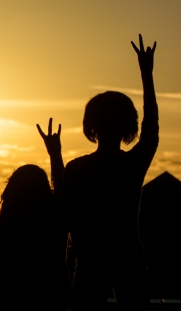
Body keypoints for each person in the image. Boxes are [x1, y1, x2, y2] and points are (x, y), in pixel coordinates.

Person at [65, 35, 159, 309]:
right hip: (128, 258)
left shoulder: (77, 168)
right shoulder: (130, 166)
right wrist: (146, 75)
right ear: (129, 126)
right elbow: (152, 130)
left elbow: (67, 217)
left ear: (90, 126)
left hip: (89, 262)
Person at [0, 118, 71, 309]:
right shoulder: (54, 221)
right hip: (54, 302)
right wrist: (55, 154)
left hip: (9, 303)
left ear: (10, 191)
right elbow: (62, 190)